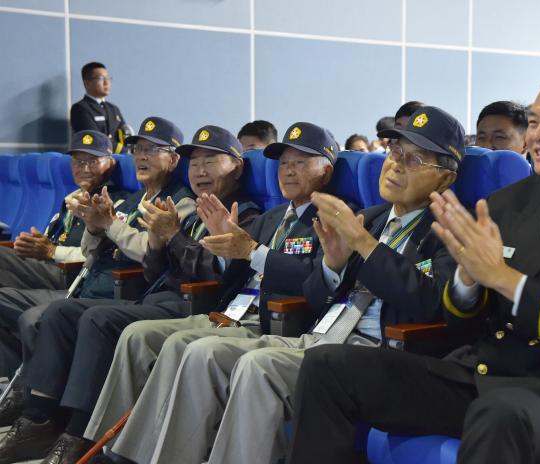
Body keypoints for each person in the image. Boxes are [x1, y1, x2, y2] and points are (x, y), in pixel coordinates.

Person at [287, 69, 540, 464]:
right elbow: (460, 320)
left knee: (499, 416)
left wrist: (503, 278)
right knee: (328, 366)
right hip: (474, 371)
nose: (539, 134)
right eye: (533, 122)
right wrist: (466, 281)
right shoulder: (504, 203)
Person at [140, 106, 461, 464]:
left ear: (446, 178)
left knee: (258, 366)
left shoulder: (447, 231)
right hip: (320, 336)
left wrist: (364, 248)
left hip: (381, 354)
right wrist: (332, 268)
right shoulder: (369, 220)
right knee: (203, 352)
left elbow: (433, 303)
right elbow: (314, 294)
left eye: (415, 158)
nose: (397, 163)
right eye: (395, 151)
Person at [82, 122, 337, 464]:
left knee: (185, 347)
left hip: (271, 322)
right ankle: (116, 451)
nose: (289, 171)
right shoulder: (273, 217)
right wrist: (219, 247)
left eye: (301, 162)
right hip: (227, 314)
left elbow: (319, 281)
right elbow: (226, 274)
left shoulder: (333, 218)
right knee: (139, 335)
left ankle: (153, 456)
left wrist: (249, 251)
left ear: (327, 170)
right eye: (284, 163)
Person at [0, 116, 196, 464]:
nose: (141, 157)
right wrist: (93, 228)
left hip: (142, 292)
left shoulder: (180, 201)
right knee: (60, 312)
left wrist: (109, 226)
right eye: (137, 149)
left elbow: (148, 252)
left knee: (86, 318)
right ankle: (37, 419)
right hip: (112, 283)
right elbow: (92, 255)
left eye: (153, 149)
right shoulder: (134, 199)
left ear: (175, 159)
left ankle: (77, 432)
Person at [0, 130, 119, 380]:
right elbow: (53, 240)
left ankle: (29, 388)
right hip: (51, 265)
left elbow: (98, 256)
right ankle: (13, 376)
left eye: (92, 160)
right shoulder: (71, 199)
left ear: (111, 162)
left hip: (75, 276)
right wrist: (38, 242)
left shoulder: (114, 203)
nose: (84, 168)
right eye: (77, 161)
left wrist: (51, 250)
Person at [70, 63, 130, 153]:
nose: (106, 83)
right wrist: (125, 151)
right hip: (95, 160)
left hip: (117, 159)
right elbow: (95, 140)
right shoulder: (80, 108)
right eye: (101, 79)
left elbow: (124, 135)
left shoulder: (113, 109)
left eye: (108, 78)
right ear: (87, 83)